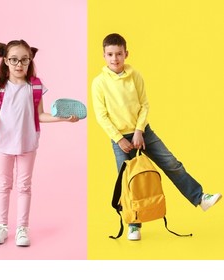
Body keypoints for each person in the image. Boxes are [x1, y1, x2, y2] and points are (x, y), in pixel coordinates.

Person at [91, 33, 221, 241]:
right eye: (110, 54)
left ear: (126, 54)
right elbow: (101, 115)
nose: (114, 58)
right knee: (129, 182)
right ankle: (134, 224)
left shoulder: (136, 76)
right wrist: (119, 138)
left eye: (118, 54)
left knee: (171, 163)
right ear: (104, 56)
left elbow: (144, 104)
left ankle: (199, 198)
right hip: (120, 139)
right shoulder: (99, 83)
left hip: (143, 132)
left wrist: (140, 130)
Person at [0, 40, 79, 247]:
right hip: (3, 143)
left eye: (24, 60)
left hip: (28, 143)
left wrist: (63, 118)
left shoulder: (35, 85)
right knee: (3, 185)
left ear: (30, 60)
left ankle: (22, 229)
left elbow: (41, 115)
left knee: (24, 186)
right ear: (6, 61)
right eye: (14, 60)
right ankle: (1, 227)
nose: (19, 64)